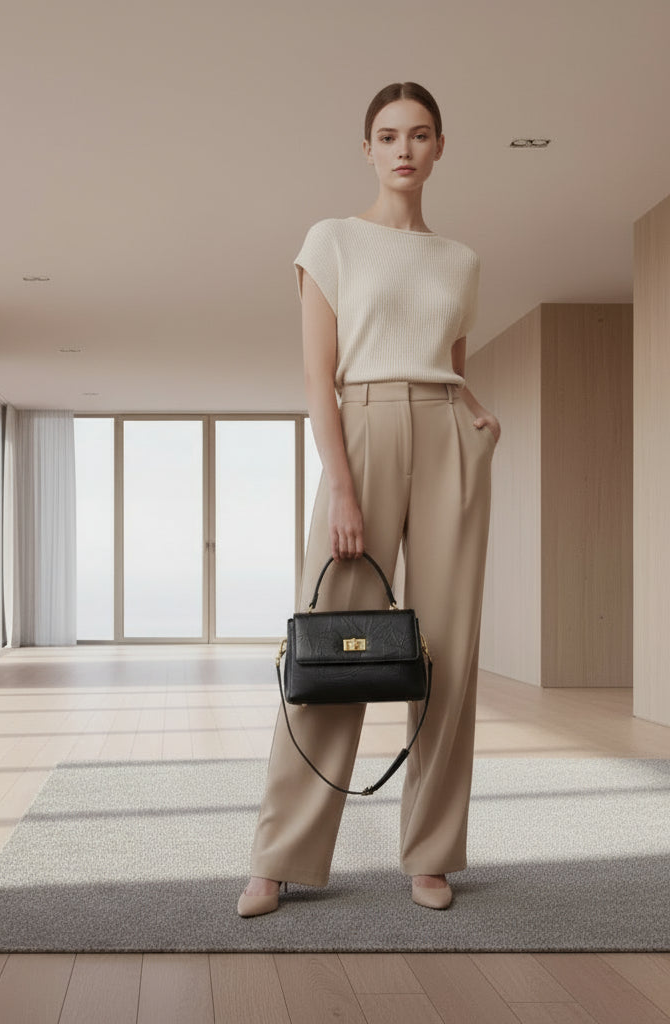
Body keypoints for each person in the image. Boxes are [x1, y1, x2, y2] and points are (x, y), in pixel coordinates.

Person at [238, 81, 499, 917]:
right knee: (334, 646)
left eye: (420, 135)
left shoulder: (461, 260)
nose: (404, 150)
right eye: (388, 135)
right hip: (366, 428)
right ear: (367, 148)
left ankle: (432, 852)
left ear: (440, 147)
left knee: (449, 654)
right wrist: (341, 486)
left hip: (450, 437)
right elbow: (320, 374)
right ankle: (278, 855)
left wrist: (476, 414)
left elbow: (448, 357)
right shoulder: (333, 241)